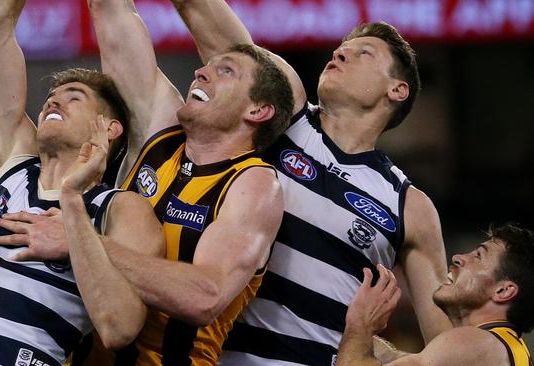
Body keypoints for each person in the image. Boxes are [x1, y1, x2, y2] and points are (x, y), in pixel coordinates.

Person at [0, 0, 294, 364]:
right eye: (206, 67)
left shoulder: (255, 184)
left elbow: (205, 297)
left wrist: (80, 239)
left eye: (225, 71)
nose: (201, 73)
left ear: (257, 111)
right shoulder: (160, 134)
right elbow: (111, 10)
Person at [169, 1, 452, 364]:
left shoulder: (408, 206)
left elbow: (445, 348)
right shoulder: (285, 115)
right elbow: (202, 13)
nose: (339, 54)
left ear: (397, 90)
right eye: (339, 50)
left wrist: (368, 347)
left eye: (362, 53)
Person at [0, 0, 164, 365]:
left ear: (109, 129)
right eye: (50, 99)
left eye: (73, 98)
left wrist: (74, 211)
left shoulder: (120, 207)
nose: (53, 101)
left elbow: (119, 327)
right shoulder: (8, 164)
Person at [337, 223, 534, 366]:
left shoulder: (478, 343)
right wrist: (337, 323)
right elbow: (395, 359)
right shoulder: (508, 350)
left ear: (503, 291)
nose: (458, 258)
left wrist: (359, 325)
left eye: (478, 256)